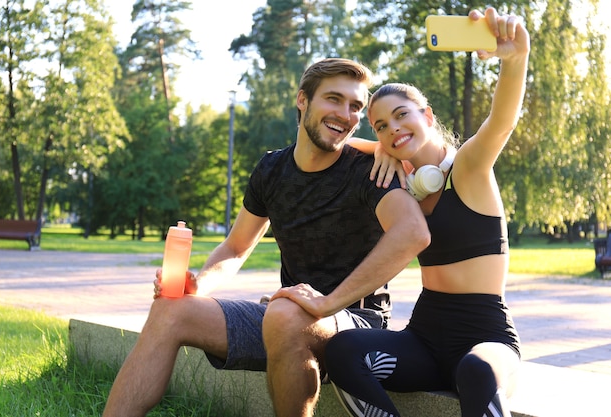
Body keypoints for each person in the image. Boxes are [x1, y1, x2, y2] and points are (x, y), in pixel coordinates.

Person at [102, 58, 430, 417]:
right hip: (282, 316)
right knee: (170, 308)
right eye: (333, 99)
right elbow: (236, 246)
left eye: (355, 106)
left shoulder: (370, 171)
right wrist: (199, 283)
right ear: (302, 100)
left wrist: (327, 303)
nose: (345, 114)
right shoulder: (272, 169)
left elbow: (412, 233)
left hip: (355, 326)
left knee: (285, 313)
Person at [273, 7, 530, 417]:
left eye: (401, 116)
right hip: (425, 336)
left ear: (427, 115)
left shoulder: (469, 166)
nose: (392, 129)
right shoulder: (405, 181)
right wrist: (382, 150)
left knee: (476, 371)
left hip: (485, 336)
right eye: (379, 126)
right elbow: (340, 142)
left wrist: (516, 59)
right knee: (342, 351)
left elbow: (502, 122)